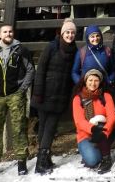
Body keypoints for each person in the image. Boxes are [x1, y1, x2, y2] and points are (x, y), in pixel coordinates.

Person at [0, 24, 35, 177]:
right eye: (5, 32)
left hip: (15, 94)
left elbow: (31, 70)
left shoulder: (21, 50)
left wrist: (22, 89)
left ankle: (21, 162)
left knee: (19, 128)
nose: (8, 34)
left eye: (10, 31)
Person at [31, 20, 77, 174]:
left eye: (72, 33)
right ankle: (41, 162)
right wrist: (37, 93)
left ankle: (44, 157)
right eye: (67, 32)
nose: (70, 35)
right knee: (46, 128)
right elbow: (41, 70)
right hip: (45, 94)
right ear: (62, 33)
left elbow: (71, 76)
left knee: (49, 129)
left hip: (60, 95)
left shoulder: (74, 50)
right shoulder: (51, 47)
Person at [72, 69, 115, 173]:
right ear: (85, 81)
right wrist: (93, 129)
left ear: (100, 82)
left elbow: (112, 116)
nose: (93, 83)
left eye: (96, 80)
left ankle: (105, 154)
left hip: (104, 132)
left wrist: (104, 133)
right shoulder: (78, 99)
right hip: (86, 135)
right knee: (93, 160)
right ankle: (91, 151)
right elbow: (79, 121)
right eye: (90, 80)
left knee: (98, 152)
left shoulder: (106, 96)